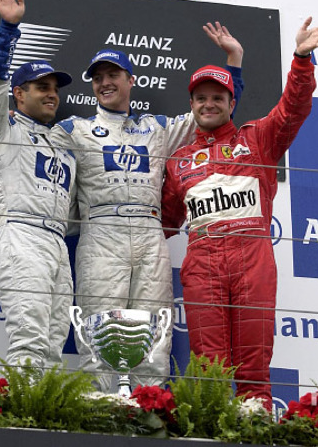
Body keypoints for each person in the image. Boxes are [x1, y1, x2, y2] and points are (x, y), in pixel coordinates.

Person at [51, 23, 244, 391]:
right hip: (101, 233)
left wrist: (233, 60)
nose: (105, 83)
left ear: (131, 80)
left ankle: (149, 411)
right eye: (98, 78)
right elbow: (29, 139)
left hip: (149, 232)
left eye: (113, 75)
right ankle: (101, 416)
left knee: (155, 329)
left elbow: (214, 115)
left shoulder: (157, 128)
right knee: (99, 326)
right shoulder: (74, 129)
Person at [160, 17, 318, 407]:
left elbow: (293, 108)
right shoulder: (178, 161)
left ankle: (255, 422)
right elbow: (160, 222)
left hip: (251, 257)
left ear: (231, 103)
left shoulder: (257, 139)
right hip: (203, 261)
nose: (209, 104)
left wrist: (302, 59)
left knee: (254, 363)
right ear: (191, 105)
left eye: (217, 98)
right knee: (208, 368)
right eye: (201, 98)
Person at [0, 0, 77, 369]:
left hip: (55, 245)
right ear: (19, 93)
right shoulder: (1, 129)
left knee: (52, 347)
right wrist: (7, 31)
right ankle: (21, 424)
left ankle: (42, 422)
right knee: (30, 340)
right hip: (19, 235)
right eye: (40, 87)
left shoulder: (65, 144)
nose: (51, 94)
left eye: (54, 88)